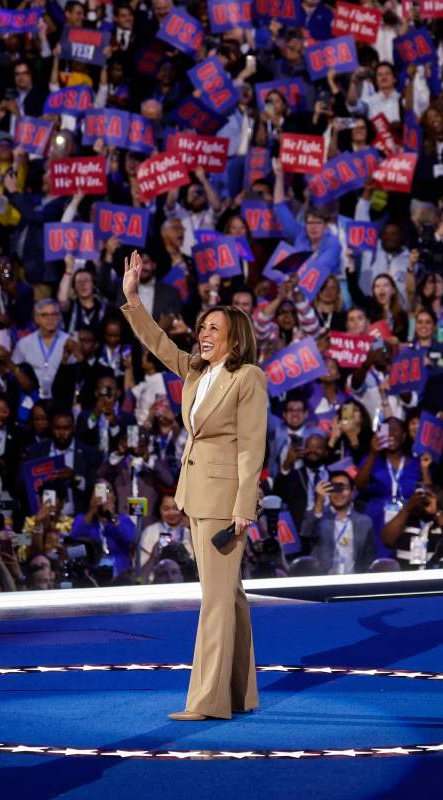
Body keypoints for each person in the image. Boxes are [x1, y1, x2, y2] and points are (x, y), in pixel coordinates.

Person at [120, 250, 267, 722]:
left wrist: (245, 506)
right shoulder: (197, 373)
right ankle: (241, 692)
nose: (203, 335)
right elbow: (159, 344)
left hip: (226, 502)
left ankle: (207, 701)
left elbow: (251, 447)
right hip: (196, 494)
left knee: (216, 600)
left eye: (213, 330)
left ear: (234, 339)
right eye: (202, 328)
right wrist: (133, 299)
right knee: (230, 595)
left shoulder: (249, 378)